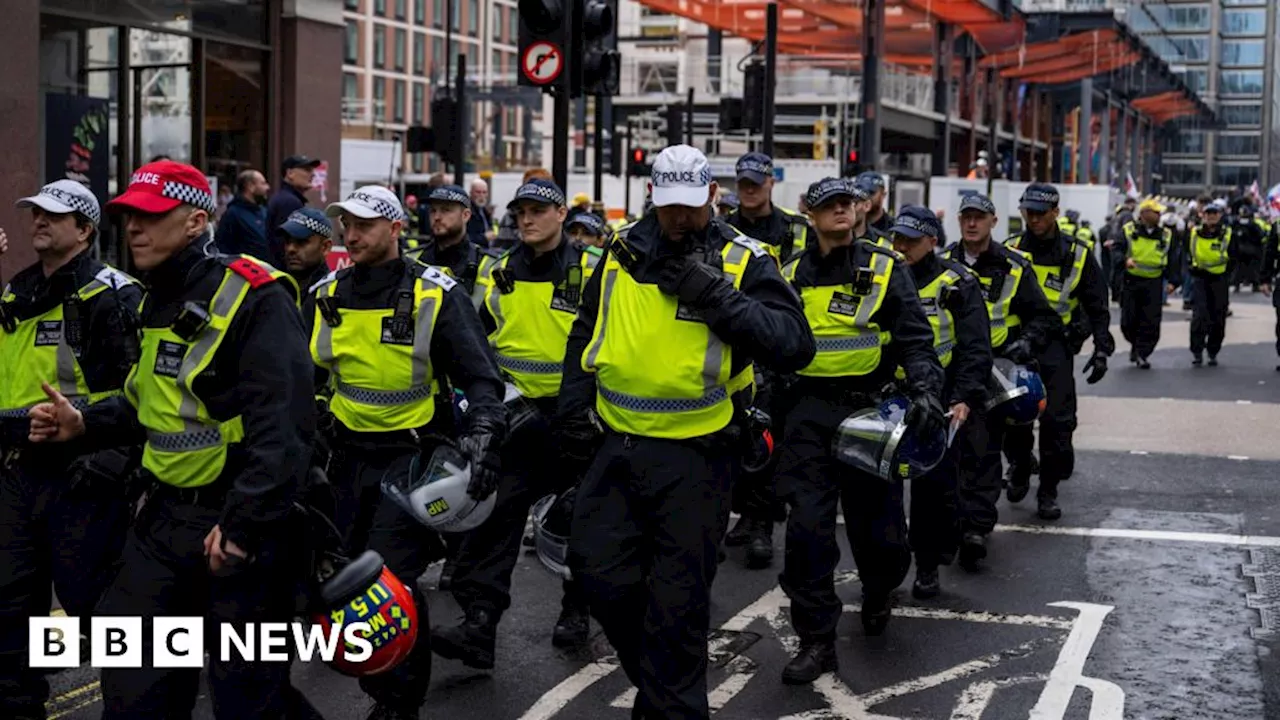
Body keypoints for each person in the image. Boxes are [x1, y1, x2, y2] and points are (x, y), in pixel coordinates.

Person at [27, 161, 322, 719]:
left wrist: (242, 527)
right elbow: (151, 406)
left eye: (151, 216)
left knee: (249, 699)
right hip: (161, 524)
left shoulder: (252, 295)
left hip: (236, 529)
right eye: (128, 216)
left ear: (195, 220)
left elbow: (284, 429)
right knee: (137, 691)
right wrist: (84, 423)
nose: (135, 228)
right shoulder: (146, 300)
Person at [558, 145, 814, 718]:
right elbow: (585, 330)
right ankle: (661, 690)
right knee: (597, 573)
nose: (679, 218)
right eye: (669, 206)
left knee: (677, 608)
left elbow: (794, 343)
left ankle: (670, 707)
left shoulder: (743, 258)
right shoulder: (620, 252)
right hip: (618, 446)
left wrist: (715, 294)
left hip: (698, 456)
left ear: (712, 197)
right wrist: (572, 406)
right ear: (653, 197)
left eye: (691, 207)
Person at [308, 184, 507, 719]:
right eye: (345, 224)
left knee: (389, 585)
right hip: (344, 461)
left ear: (396, 229)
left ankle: (399, 703)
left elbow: (480, 376)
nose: (351, 234)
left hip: (410, 461)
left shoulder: (435, 293)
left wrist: (484, 428)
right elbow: (304, 380)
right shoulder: (325, 293)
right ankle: (386, 689)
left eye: (365, 225)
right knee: (344, 588)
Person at [775, 180, 943, 684]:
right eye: (830, 205)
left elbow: (915, 338)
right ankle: (816, 640)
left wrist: (925, 390)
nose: (842, 211)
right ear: (810, 214)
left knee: (882, 534)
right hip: (806, 415)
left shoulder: (886, 267)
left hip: (869, 414)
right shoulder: (787, 275)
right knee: (807, 531)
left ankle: (878, 588)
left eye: (848, 203)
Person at [433, 179, 597, 670]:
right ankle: (480, 625)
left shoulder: (593, 269)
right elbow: (478, 348)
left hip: (576, 419)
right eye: (521, 211)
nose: (527, 219)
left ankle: (576, 608)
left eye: (538, 210)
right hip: (517, 419)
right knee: (495, 520)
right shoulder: (499, 272)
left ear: (562, 213)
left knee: (579, 521)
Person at [0, 181, 143, 720]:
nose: (38, 221)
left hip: (84, 479)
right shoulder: (16, 292)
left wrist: (107, 465)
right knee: (11, 609)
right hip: (18, 476)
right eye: (34, 212)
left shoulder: (114, 296)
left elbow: (142, 397)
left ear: (84, 229)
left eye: (52, 216)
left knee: (99, 615)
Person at [947, 193, 1059, 569]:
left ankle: (976, 527)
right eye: (966, 217)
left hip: (995, 369)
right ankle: (954, 522)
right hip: (949, 367)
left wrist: (1026, 342)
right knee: (950, 452)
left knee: (983, 448)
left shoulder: (1014, 266)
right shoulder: (941, 263)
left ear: (994, 221)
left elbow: (1041, 316)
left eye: (979, 217)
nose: (972, 224)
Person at [889, 206, 992, 599]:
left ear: (933, 241)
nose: (902, 247)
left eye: (911, 241)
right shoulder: (884, 273)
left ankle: (928, 564)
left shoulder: (957, 282)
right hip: (890, 393)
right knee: (882, 486)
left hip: (940, 394)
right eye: (898, 238)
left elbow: (975, 346)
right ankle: (886, 566)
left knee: (935, 488)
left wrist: (963, 397)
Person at [722, 151, 815, 568]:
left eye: (755, 183)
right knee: (733, 438)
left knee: (764, 439)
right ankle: (746, 513)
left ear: (770, 183)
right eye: (743, 183)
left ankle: (760, 522)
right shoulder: (723, 227)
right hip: (733, 341)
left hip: (777, 340)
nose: (748, 190)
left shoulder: (795, 229)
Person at [1004, 184, 1113, 520]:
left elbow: (1097, 304)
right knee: (1012, 418)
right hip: (1016, 345)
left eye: (1040, 212)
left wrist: (1101, 349)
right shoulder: (1008, 250)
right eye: (1028, 212)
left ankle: (1048, 490)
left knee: (1058, 424)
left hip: (1056, 346)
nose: (1034, 219)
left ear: (1055, 212)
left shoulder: (1077, 254)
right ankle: (1021, 465)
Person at [407, 184, 494, 293]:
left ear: (465, 215)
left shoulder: (485, 264)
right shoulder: (413, 260)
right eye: (433, 210)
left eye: (445, 210)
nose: (437, 217)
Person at [1118, 199, 1173, 368]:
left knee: (1151, 320)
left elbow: (1172, 257)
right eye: (1155, 212)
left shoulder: (1166, 234)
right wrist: (1124, 260)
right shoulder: (1128, 230)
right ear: (1144, 214)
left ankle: (1143, 353)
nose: (1159, 215)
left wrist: (1172, 281)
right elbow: (1117, 250)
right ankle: (1134, 344)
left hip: (1154, 282)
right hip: (1131, 281)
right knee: (1129, 319)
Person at [266, 155, 322, 268]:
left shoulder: (286, 198)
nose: (312, 174)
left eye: (312, 170)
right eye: (307, 170)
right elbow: (284, 243)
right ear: (290, 173)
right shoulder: (289, 202)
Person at [214, 169, 271, 261]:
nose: (267, 187)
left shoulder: (263, 211)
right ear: (251, 186)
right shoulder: (232, 214)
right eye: (263, 183)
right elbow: (224, 249)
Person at [279, 207, 335, 292]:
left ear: (325, 247)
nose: (291, 249)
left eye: (301, 242)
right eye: (287, 241)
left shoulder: (334, 294)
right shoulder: (276, 289)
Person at [467, 179, 495, 248]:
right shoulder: (467, 213)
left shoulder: (485, 210)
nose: (481, 195)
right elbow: (464, 239)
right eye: (478, 192)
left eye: (484, 192)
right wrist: (484, 238)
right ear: (471, 193)